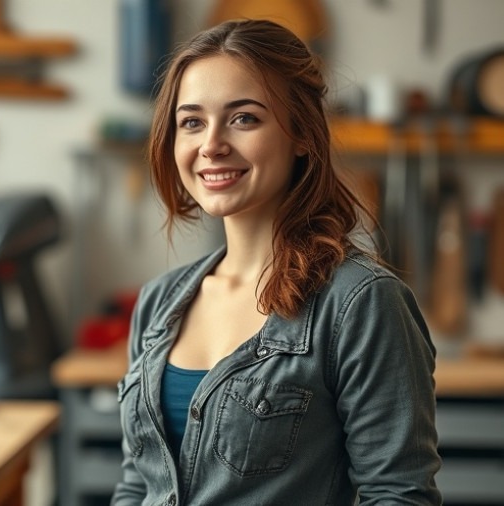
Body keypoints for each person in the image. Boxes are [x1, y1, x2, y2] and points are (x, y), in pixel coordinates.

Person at [112, 19, 441, 505]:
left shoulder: (360, 303)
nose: (211, 144)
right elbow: (138, 484)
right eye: (192, 121)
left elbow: (398, 495)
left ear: (302, 135)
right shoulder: (161, 302)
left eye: (244, 118)